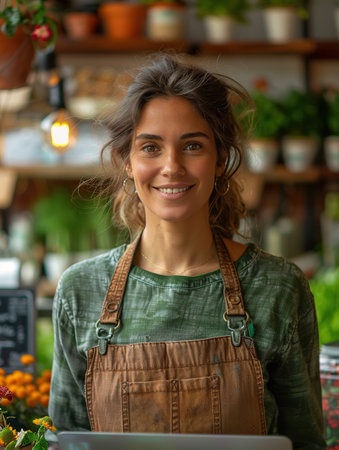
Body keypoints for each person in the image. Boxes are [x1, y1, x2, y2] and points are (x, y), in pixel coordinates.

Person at [48, 53, 326, 449]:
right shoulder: (81, 291)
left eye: (192, 145)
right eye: (150, 147)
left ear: (220, 159)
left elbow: (305, 443)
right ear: (127, 161)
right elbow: (64, 442)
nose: (171, 166)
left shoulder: (277, 287)